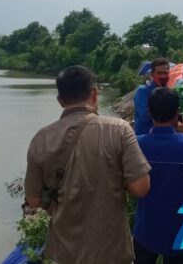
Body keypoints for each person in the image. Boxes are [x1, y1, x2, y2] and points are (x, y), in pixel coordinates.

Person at [24, 66, 152, 264]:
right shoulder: (119, 130)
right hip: (111, 250)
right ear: (94, 93)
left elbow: (33, 200)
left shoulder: (41, 139)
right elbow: (141, 187)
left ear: (60, 100)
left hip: (64, 252)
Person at [133, 88, 183, 264]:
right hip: (180, 226)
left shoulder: (137, 144)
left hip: (147, 225)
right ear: (177, 113)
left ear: (150, 113)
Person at [134, 58, 170, 135]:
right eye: (159, 73)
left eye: (165, 73)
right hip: (144, 139)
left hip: (164, 138)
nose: (163, 76)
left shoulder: (170, 92)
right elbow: (145, 118)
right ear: (152, 74)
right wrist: (161, 95)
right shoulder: (143, 91)